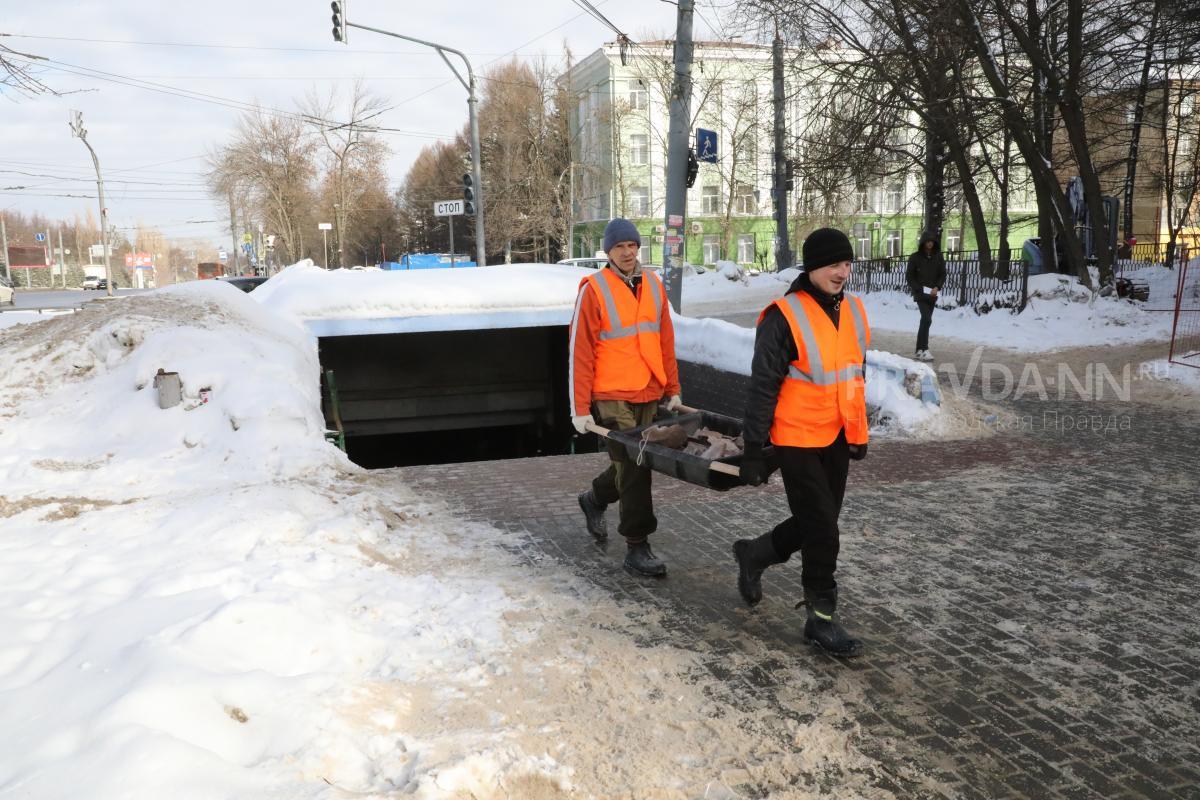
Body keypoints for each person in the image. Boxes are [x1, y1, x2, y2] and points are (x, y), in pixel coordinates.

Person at [733, 228, 870, 658]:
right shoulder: (783, 316)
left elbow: (853, 377)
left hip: (835, 433)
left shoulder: (854, 310)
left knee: (817, 522)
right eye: (834, 264)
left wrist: (857, 431)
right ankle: (821, 619)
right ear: (812, 267)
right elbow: (762, 386)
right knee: (824, 530)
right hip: (795, 437)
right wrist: (754, 448)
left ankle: (755, 554)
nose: (842, 272)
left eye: (847, 264)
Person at [570, 218, 682, 577]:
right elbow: (580, 352)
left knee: (632, 464)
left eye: (633, 245)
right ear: (609, 251)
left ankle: (595, 499)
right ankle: (637, 545)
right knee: (636, 467)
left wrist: (673, 389)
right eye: (620, 247)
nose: (629, 252)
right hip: (612, 395)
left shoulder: (652, 284)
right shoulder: (594, 289)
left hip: (648, 389)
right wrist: (579, 408)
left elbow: (665, 340)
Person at [905, 233, 946, 362]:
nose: (930, 244)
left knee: (925, 320)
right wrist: (918, 288)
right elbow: (909, 276)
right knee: (927, 319)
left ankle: (919, 350)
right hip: (920, 294)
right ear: (923, 242)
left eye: (932, 242)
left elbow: (942, 274)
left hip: (932, 294)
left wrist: (937, 287)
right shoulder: (915, 257)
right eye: (927, 241)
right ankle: (925, 348)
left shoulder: (938, 257)